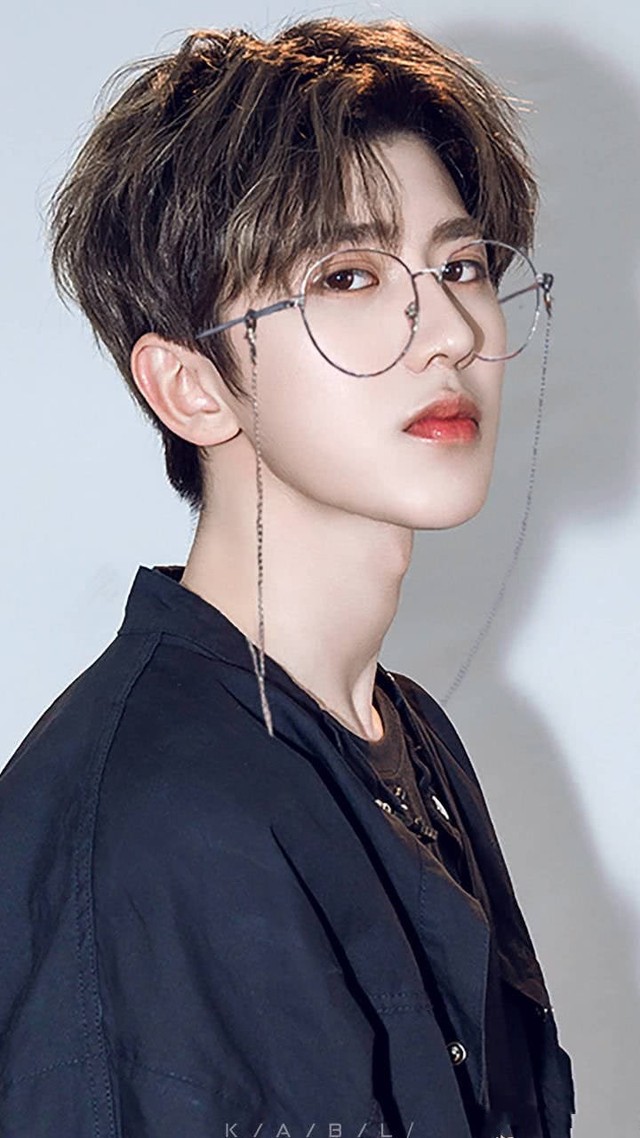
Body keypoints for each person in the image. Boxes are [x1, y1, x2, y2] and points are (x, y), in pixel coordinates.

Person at [0, 16, 575, 1138]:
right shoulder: (163, 815)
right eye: (348, 275)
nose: (448, 332)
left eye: (459, 265)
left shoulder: (408, 735)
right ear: (191, 386)